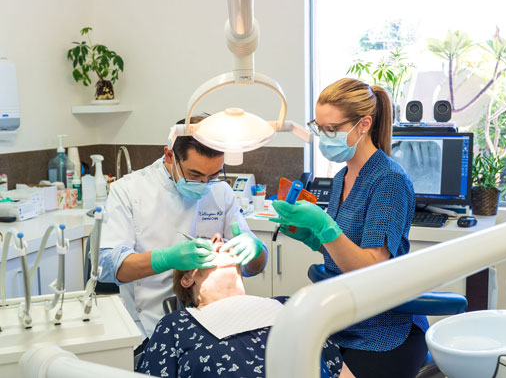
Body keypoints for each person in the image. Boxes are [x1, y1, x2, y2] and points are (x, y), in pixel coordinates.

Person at [270, 78, 429, 378]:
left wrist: (322, 224)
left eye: (332, 129)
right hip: (345, 322)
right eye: (320, 128)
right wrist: (311, 236)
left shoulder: (388, 180)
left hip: (386, 332)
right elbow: (345, 245)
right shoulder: (343, 176)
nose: (324, 137)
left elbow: (371, 267)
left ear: (364, 124)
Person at [98, 117, 268, 350]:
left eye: (214, 175)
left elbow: (255, 266)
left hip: (216, 325)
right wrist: (166, 259)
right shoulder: (129, 190)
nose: (205, 183)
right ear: (169, 156)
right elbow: (107, 268)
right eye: (195, 175)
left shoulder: (222, 192)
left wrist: (255, 250)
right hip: (149, 327)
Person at [136, 233, 354, 378]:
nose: (218, 238)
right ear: (187, 279)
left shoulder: (289, 305)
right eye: (207, 246)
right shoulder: (176, 326)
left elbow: (339, 371)